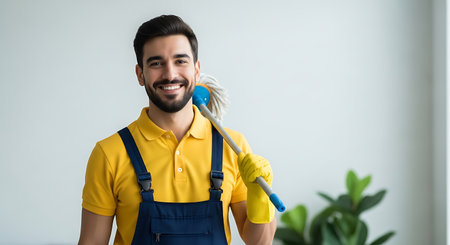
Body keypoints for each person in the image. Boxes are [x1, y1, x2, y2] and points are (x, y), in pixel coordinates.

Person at [78, 15, 276, 245]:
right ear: (140, 74)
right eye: (156, 63)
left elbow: (259, 243)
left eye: (180, 61)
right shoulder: (110, 153)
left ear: (196, 70)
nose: (170, 74)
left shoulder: (232, 145)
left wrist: (260, 197)